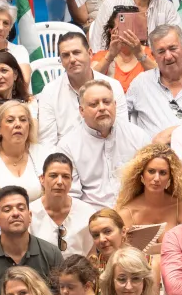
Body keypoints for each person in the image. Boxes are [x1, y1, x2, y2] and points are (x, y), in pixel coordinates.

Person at [56, 80, 149, 208]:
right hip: (92, 215)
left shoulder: (138, 137)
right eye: (94, 104)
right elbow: (71, 197)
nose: (102, 108)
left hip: (134, 211)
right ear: (81, 111)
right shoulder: (68, 146)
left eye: (106, 102)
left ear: (115, 105)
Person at [36, 32, 126, 151]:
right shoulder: (50, 92)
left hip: (108, 152)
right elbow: (47, 143)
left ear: (90, 53)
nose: (72, 59)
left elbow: (121, 132)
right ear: (61, 60)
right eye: (66, 55)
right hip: (66, 157)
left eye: (76, 52)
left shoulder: (113, 86)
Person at [127, 25, 182, 142]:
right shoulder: (141, 83)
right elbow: (119, 116)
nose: (168, 56)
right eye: (161, 51)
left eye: (173, 48)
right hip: (154, 151)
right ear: (153, 56)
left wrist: (175, 133)